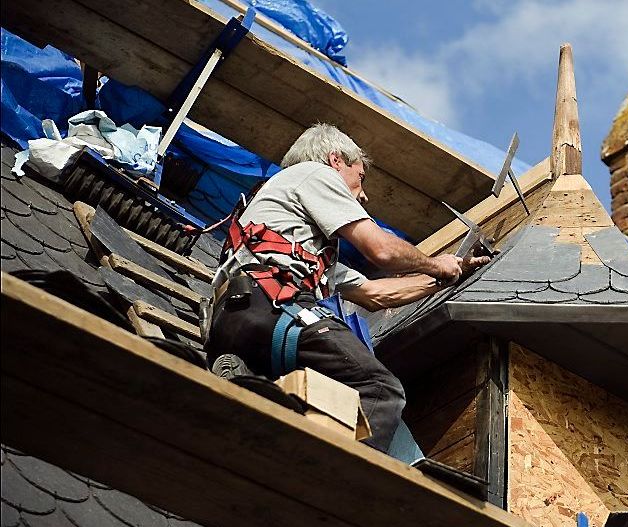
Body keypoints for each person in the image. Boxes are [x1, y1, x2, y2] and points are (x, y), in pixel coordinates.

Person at [205, 123, 490, 454]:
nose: (364, 194)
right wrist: (434, 262)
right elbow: (380, 251)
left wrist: (446, 276)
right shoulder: (314, 174)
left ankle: (248, 385)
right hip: (274, 308)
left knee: (293, 401)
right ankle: (333, 479)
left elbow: (374, 294)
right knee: (380, 391)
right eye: (360, 177)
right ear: (335, 160)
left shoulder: (297, 240)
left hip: (238, 321)